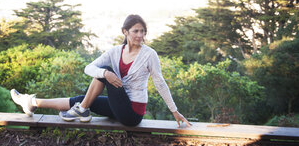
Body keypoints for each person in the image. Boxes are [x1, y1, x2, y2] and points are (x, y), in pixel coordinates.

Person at [11, 14, 191, 127]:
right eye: (136, 31)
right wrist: (105, 74)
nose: (140, 35)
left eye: (143, 31)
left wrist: (174, 111)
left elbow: (160, 83)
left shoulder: (149, 54)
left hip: (133, 113)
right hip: (119, 105)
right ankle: (32, 102)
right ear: (125, 32)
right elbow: (88, 68)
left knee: (104, 71)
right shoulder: (114, 52)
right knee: (85, 96)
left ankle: (81, 109)